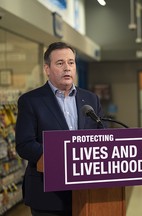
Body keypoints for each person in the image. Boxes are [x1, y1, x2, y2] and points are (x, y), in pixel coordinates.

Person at [15, 42, 104, 215]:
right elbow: (24, 144)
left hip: (88, 193)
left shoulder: (91, 99)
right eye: (60, 63)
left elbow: (101, 136)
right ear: (47, 69)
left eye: (71, 62)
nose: (67, 68)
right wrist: (62, 157)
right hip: (48, 196)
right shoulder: (31, 101)